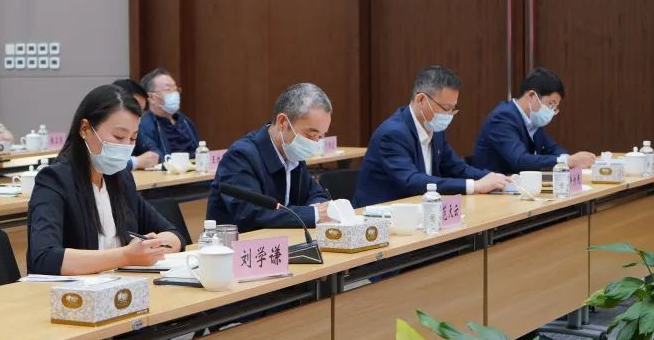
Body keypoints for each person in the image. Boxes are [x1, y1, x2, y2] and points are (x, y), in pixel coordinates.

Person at [27, 84, 183, 275]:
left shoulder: (121, 178)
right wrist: (126, 256)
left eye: (133, 138)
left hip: (122, 286)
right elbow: (44, 258)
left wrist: (153, 247)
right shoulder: (55, 180)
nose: (126, 147)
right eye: (119, 136)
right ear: (85, 129)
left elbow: (174, 235)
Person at [354, 66, 510, 208]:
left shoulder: (435, 130)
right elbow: (411, 181)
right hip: (381, 218)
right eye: (445, 108)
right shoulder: (393, 133)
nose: (449, 115)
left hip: (420, 213)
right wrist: (474, 186)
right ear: (421, 100)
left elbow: (457, 168)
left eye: (453, 109)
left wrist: (495, 178)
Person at [207, 83, 333, 231]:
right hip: (237, 243)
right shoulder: (241, 156)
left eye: (320, 137)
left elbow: (315, 193)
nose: (314, 143)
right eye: (310, 135)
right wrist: (314, 214)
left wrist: (318, 206)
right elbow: (251, 214)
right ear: (282, 122)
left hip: (281, 241)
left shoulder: (293, 153)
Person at [473, 68, 596, 175]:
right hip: (493, 189)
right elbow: (520, 160)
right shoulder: (503, 118)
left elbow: (552, 149)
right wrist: (567, 161)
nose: (551, 111)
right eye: (551, 104)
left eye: (555, 107)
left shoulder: (533, 119)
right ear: (531, 96)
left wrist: (573, 160)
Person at [137, 68, 199, 157]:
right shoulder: (144, 126)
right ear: (152, 97)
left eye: (176, 89)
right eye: (168, 89)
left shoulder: (185, 121)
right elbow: (155, 158)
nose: (175, 94)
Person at [112, 78, 160, 169]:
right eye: (135, 109)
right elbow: (105, 163)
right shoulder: (103, 125)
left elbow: (156, 153)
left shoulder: (136, 128)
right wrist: (136, 162)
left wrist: (149, 159)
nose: (139, 115)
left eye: (141, 111)